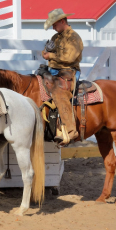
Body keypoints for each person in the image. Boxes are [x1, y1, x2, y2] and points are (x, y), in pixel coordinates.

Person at [41, 8, 83, 143]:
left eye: (54, 24)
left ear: (62, 21)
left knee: (60, 93)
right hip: (52, 70)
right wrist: (45, 52)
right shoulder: (56, 37)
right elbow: (48, 49)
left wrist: (50, 56)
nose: (53, 27)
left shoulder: (74, 37)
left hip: (68, 71)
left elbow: (70, 58)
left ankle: (71, 131)